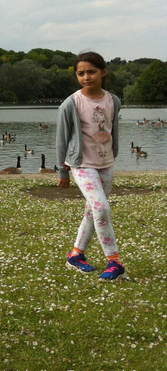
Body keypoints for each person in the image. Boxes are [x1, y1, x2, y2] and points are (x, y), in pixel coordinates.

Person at [56, 51, 127, 282]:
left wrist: (113, 155)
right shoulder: (71, 103)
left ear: (103, 72)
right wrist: (62, 171)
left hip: (106, 163)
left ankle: (76, 255)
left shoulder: (113, 100)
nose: (86, 77)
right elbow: (62, 138)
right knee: (102, 209)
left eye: (91, 71)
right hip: (81, 165)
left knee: (92, 210)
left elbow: (112, 129)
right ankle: (115, 261)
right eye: (80, 73)